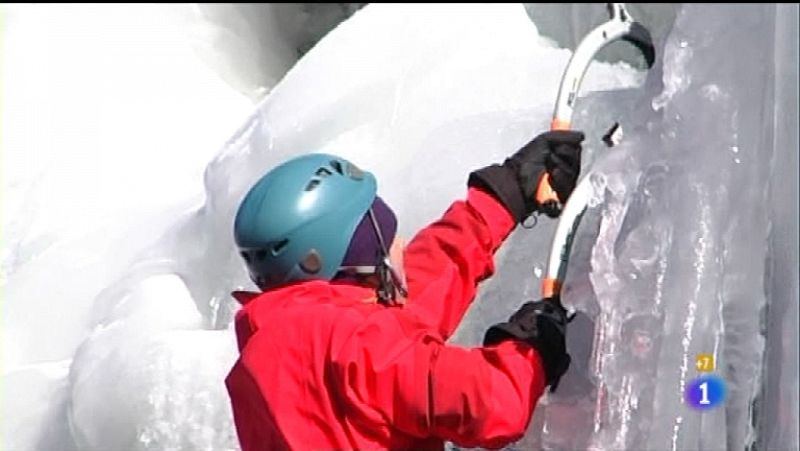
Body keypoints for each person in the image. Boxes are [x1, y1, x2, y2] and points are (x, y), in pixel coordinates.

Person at [226, 129, 585, 451]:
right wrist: (531, 346)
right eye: (387, 235)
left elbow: (413, 301)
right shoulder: (358, 342)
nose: (401, 244)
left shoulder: (285, 344)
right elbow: (492, 403)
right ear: (357, 256)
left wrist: (506, 194)